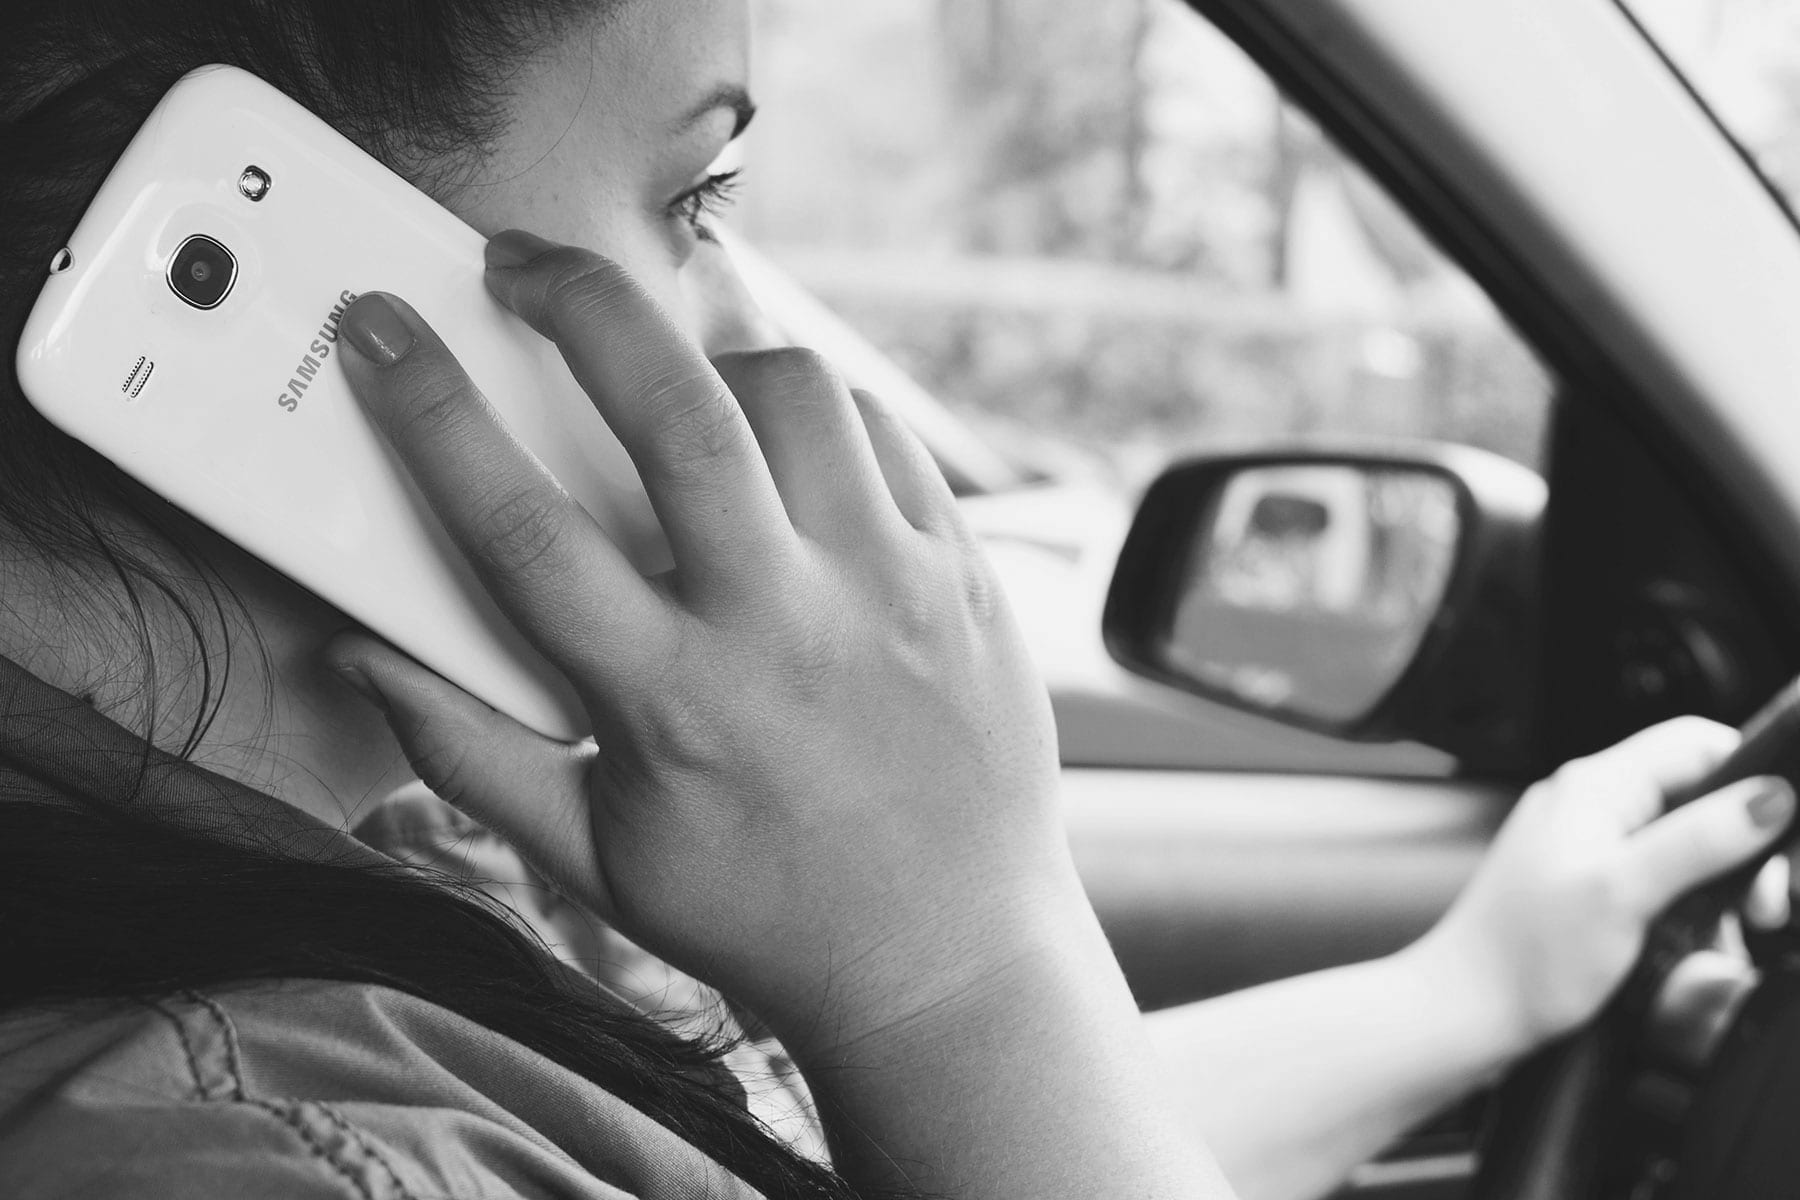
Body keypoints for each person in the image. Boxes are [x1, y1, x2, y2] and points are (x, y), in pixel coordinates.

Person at [0, 3, 1791, 1199]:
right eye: (700, 193)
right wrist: (960, 954)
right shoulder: (249, 1152)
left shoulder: (388, 840)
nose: (764, 340)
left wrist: (1466, 989)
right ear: (302, 252)